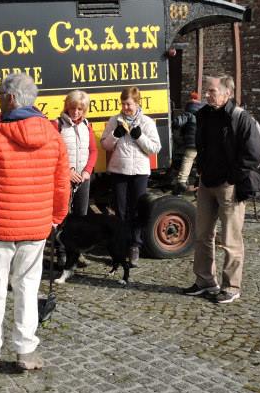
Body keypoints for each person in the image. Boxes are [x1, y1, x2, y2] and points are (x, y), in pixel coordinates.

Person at [0, 73, 69, 371]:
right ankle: (25, 351)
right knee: (27, 288)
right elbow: (62, 185)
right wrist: (55, 218)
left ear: (10, 99)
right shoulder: (53, 136)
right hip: (35, 228)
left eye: (0, 95)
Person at [182, 75, 260, 305]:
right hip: (206, 182)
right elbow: (201, 147)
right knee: (202, 235)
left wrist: (232, 178)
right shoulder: (203, 115)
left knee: (230, 239)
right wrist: (200, 172)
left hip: (229, 186)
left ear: (227, 93)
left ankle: (231, 286)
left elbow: (253, 154)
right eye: (207, 91)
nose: (207, 95)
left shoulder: (241, 118)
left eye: (212, 91)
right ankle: (205, 281)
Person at [100, 86, 161, 267]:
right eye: (123, 104)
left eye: (129, 104)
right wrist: (115, 135)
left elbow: (155, 148)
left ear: (137, 103)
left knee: (137, 210)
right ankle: (121, 245)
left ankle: (135, 245)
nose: (125, 107)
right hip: (119, 170)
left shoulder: (146, 122)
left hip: (139, 172)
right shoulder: (115, 120)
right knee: (120, 210)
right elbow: (105, 145)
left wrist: (139, 136)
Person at [54, 89, 98, 217]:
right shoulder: (57, 124)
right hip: (63, 178)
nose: (76, 112)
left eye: (80, 109)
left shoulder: (86, 125)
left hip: (83, 179)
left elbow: (93, 151)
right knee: (61, 216)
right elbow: (52, 154)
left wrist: (87, 171)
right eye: (73, 108)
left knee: (81, 216)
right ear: (67, 106)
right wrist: (67, 172)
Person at [171, 91, 204, 194]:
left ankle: (182, 181)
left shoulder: (189, 113)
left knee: (188, 160)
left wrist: (173, 122)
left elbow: (177, 123)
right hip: (202, 144)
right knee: (201, 163)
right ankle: (201, 182)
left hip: (192, 143)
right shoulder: (203, 114)